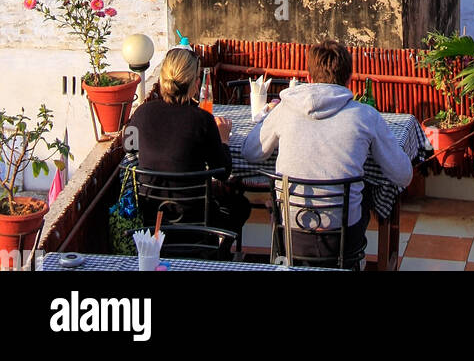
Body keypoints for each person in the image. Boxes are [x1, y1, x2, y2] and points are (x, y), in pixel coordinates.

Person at [242, 38, 413, 264]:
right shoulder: (365, 116)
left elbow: (251, 153)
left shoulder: (284, 109)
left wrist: (267, 115)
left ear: (309, 77)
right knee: (364, 196)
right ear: (349, 78)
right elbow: (403, 175)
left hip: (290, 236)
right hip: (342, 240)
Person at [126, 47, 250, 235]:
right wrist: (224, 138)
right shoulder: (202, 120)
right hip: (197, 220)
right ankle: (219, 254)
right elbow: (224, 171)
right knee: (241, 205)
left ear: (161, 80)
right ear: (195, 84)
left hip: (151, 220)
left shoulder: (141, 114)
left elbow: (129, 150)